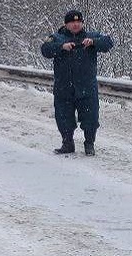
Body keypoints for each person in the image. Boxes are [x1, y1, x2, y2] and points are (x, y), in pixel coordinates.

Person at [40, 9, 115, 156]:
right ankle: (67, 143)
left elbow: (108, 42)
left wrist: (93, 42)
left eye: (78, 22)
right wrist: (61, 47)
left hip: (86, 87)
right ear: (66, 24)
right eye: (72, 22)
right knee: (64, 116)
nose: (76, 25)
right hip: (64, 87)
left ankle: (89, 143)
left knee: (91, 117)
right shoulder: (57, 38)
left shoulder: (90, 36)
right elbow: (45, 49)